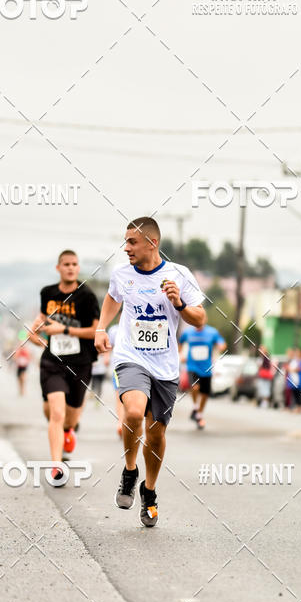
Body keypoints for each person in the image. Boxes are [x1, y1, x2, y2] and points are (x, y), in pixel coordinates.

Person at [95, 217, 206, 527]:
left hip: (166, 367)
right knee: (132, 412)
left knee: (156, 434)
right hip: (131, 357)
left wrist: (180, 303)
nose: (126, 247)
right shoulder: (121, 275)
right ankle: (130, 471)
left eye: (132, 242)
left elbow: (199, 319)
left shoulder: (178, 275)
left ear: (152, 243)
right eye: (126, 241)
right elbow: (112, 298)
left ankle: (149, 492)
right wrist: (101, 328)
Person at [28, 250, 99, 483]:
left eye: (74, 264)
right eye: (66, 264)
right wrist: (35, 331)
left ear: (78, 268)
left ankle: (69, 431)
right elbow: (40, 323)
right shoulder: (47, 293)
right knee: (55, 412)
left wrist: (64, 330)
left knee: (70, 417)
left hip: (81, 363)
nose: (70, 268)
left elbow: (93, 332)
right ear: (58, 268)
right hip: (53, 361)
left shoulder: (87, 296)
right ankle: (56, 466)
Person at [178, 323, 226, 429]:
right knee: (195, 387)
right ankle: (195, 407)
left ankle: (199, 415)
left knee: (205, 393)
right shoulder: (188, 332)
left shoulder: (212, 332)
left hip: (206, 368)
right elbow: (180, 343)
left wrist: (221, 346)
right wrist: (180, 355)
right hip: (192, 366)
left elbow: (221, 343)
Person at [107, 322, 124, 437]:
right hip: (117, 367)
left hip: (137, 368)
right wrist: (106, 357)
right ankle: (121, 423)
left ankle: (129, 422)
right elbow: (109, 346)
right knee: (119, 396)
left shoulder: (138, 324)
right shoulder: (114, 330)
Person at [287, 347, 301, 412]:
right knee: (295, 394)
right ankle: (296, 407)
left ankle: (299, 408)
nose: (297, 353)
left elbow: (299, 369)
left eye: (298, 352)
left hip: (300, 381)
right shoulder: (297, 360)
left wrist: (290, 369)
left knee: (299, 395)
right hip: (295, 381)